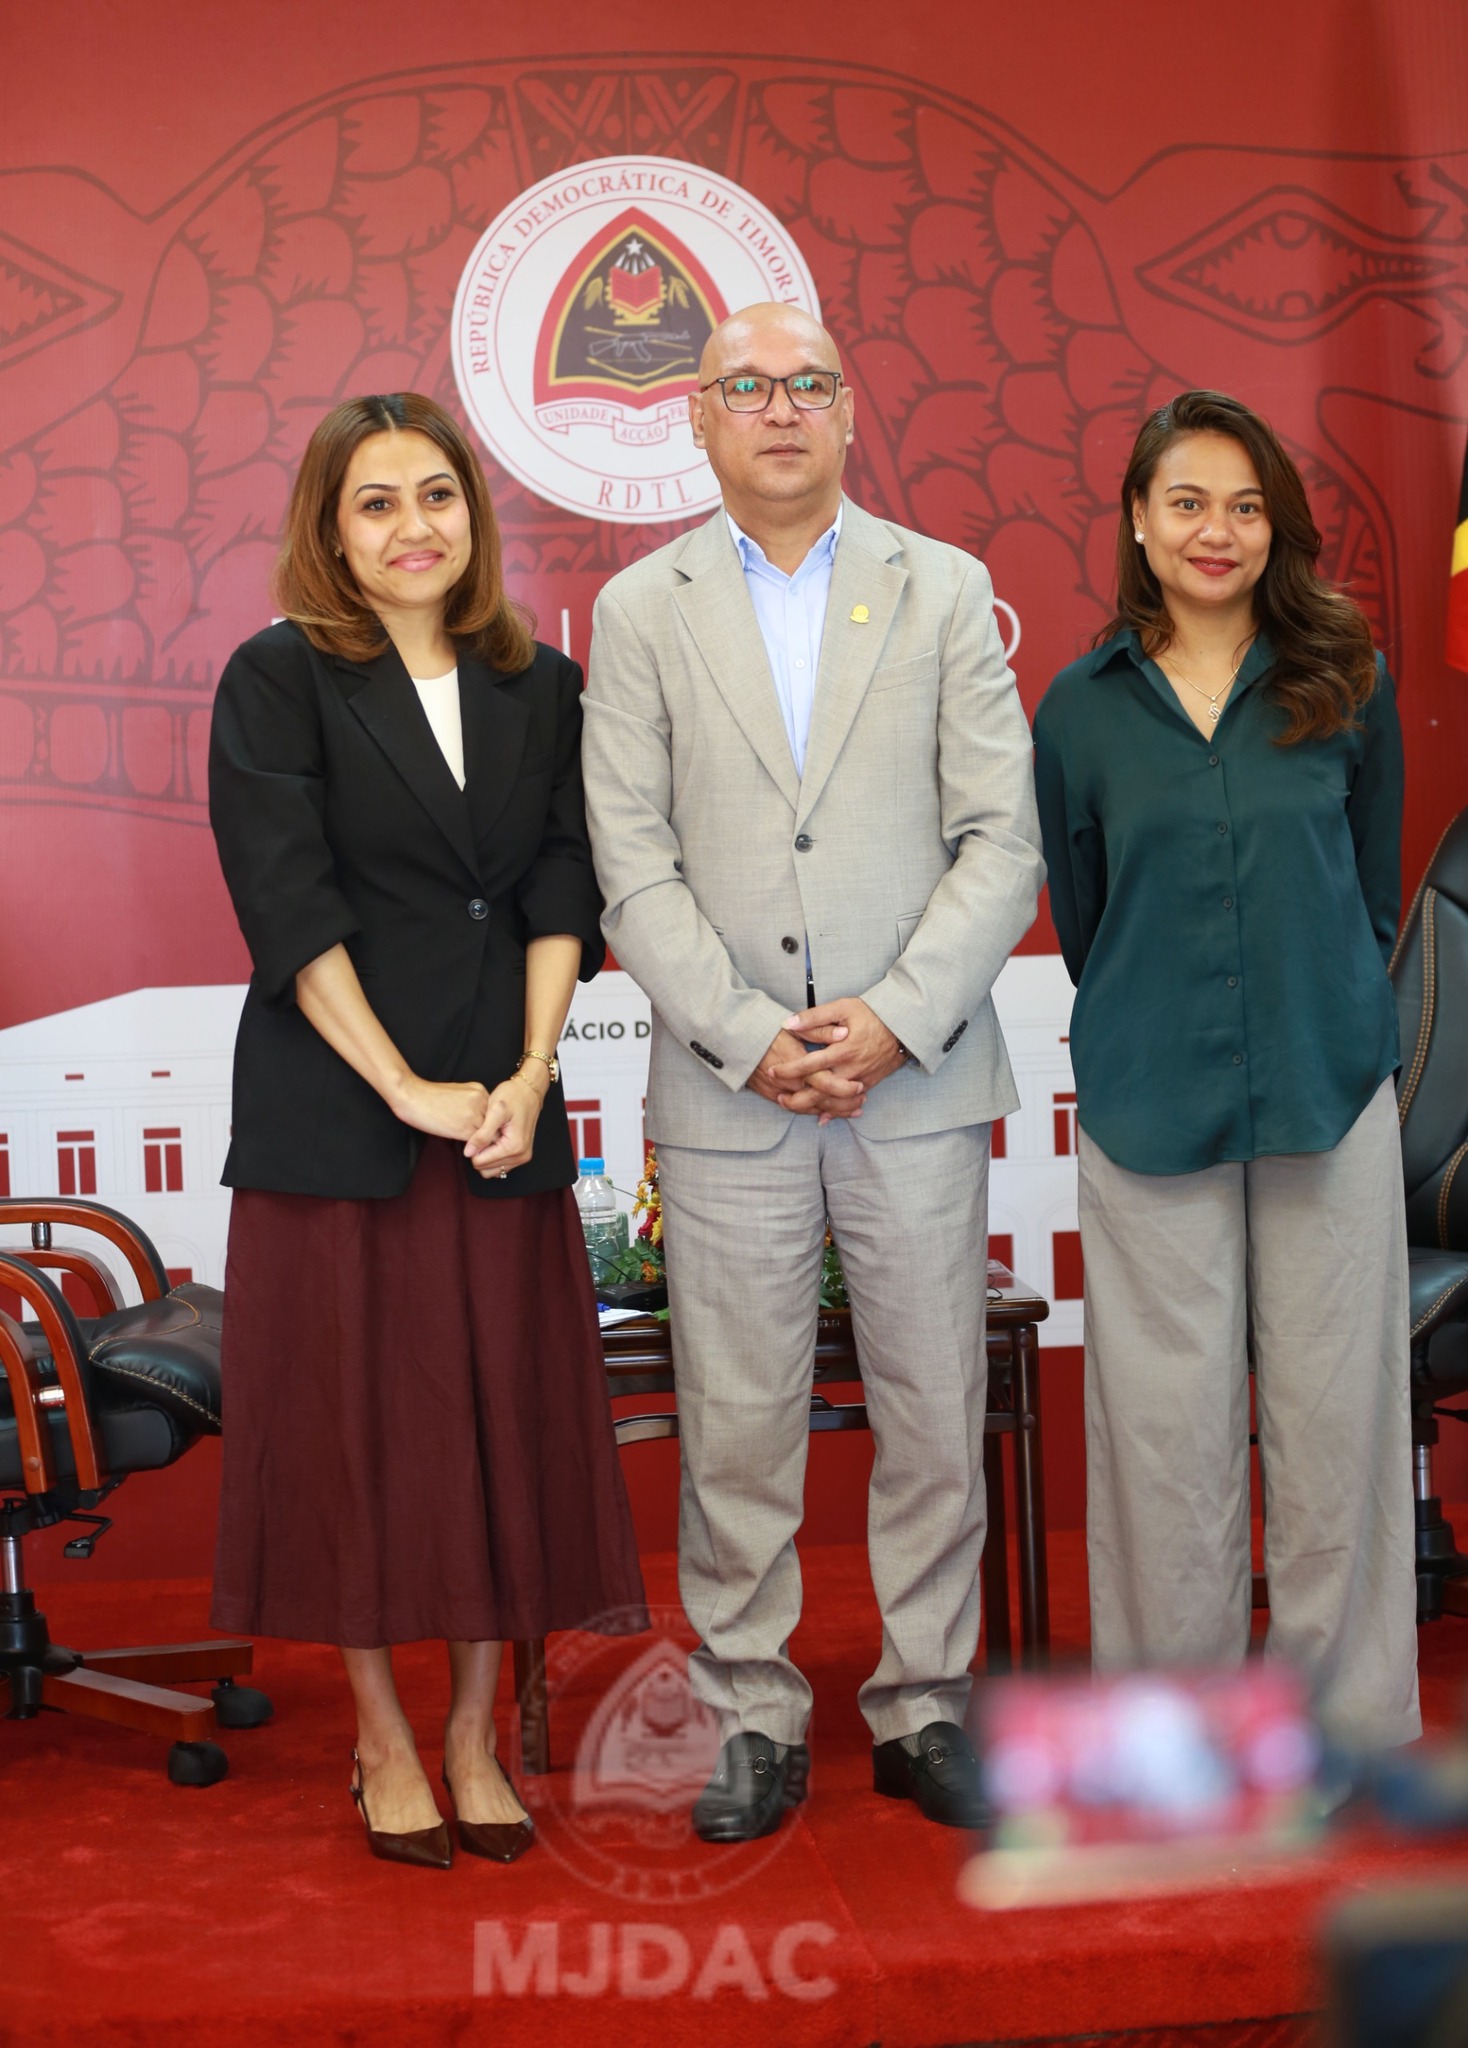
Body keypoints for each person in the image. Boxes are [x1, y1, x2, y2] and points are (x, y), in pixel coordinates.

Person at [581, 303, 1044, 1842]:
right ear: (699, 420)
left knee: (934, 1412)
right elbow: (629, 862)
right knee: (736, 1425)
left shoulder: (944, 587)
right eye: (747, 386)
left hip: (917, 1078)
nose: (779, 409)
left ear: (847, 412)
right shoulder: (640, 610)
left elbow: (1003, 841)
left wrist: (897, 1018)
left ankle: (927, 1706)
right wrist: (747, 1034)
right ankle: (751, 1714)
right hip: (733, 1093)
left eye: (808, 385)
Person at [208, 392, 647, 1869]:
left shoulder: (541, 683)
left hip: (500, 1117)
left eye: (438, 495)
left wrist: (532, 1071)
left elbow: (561, 888)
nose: (415, 527)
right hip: (341, 1117)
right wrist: (405, 1089)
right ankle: (382, 1739)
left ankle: (471, 1736)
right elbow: (287, 906)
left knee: (491, 1427)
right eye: (378, 502)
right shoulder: (278, 677)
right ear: (331, 532)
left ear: (475, 512)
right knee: (358, 1437)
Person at [1033, 389, 1419, 1751]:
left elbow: (1372, 890)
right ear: (1138, 522)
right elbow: (1086, 913)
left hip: (1328, 1092)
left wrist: (1322, 1010)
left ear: (1277, 529)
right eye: (1188, 502)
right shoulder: (1078, 710)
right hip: (1150, 1099)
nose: (1218, 531)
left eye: (1246, 507)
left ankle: (1341, 1728)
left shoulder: (1347, 675)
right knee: (1164, 1444)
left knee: (1336, 1429)